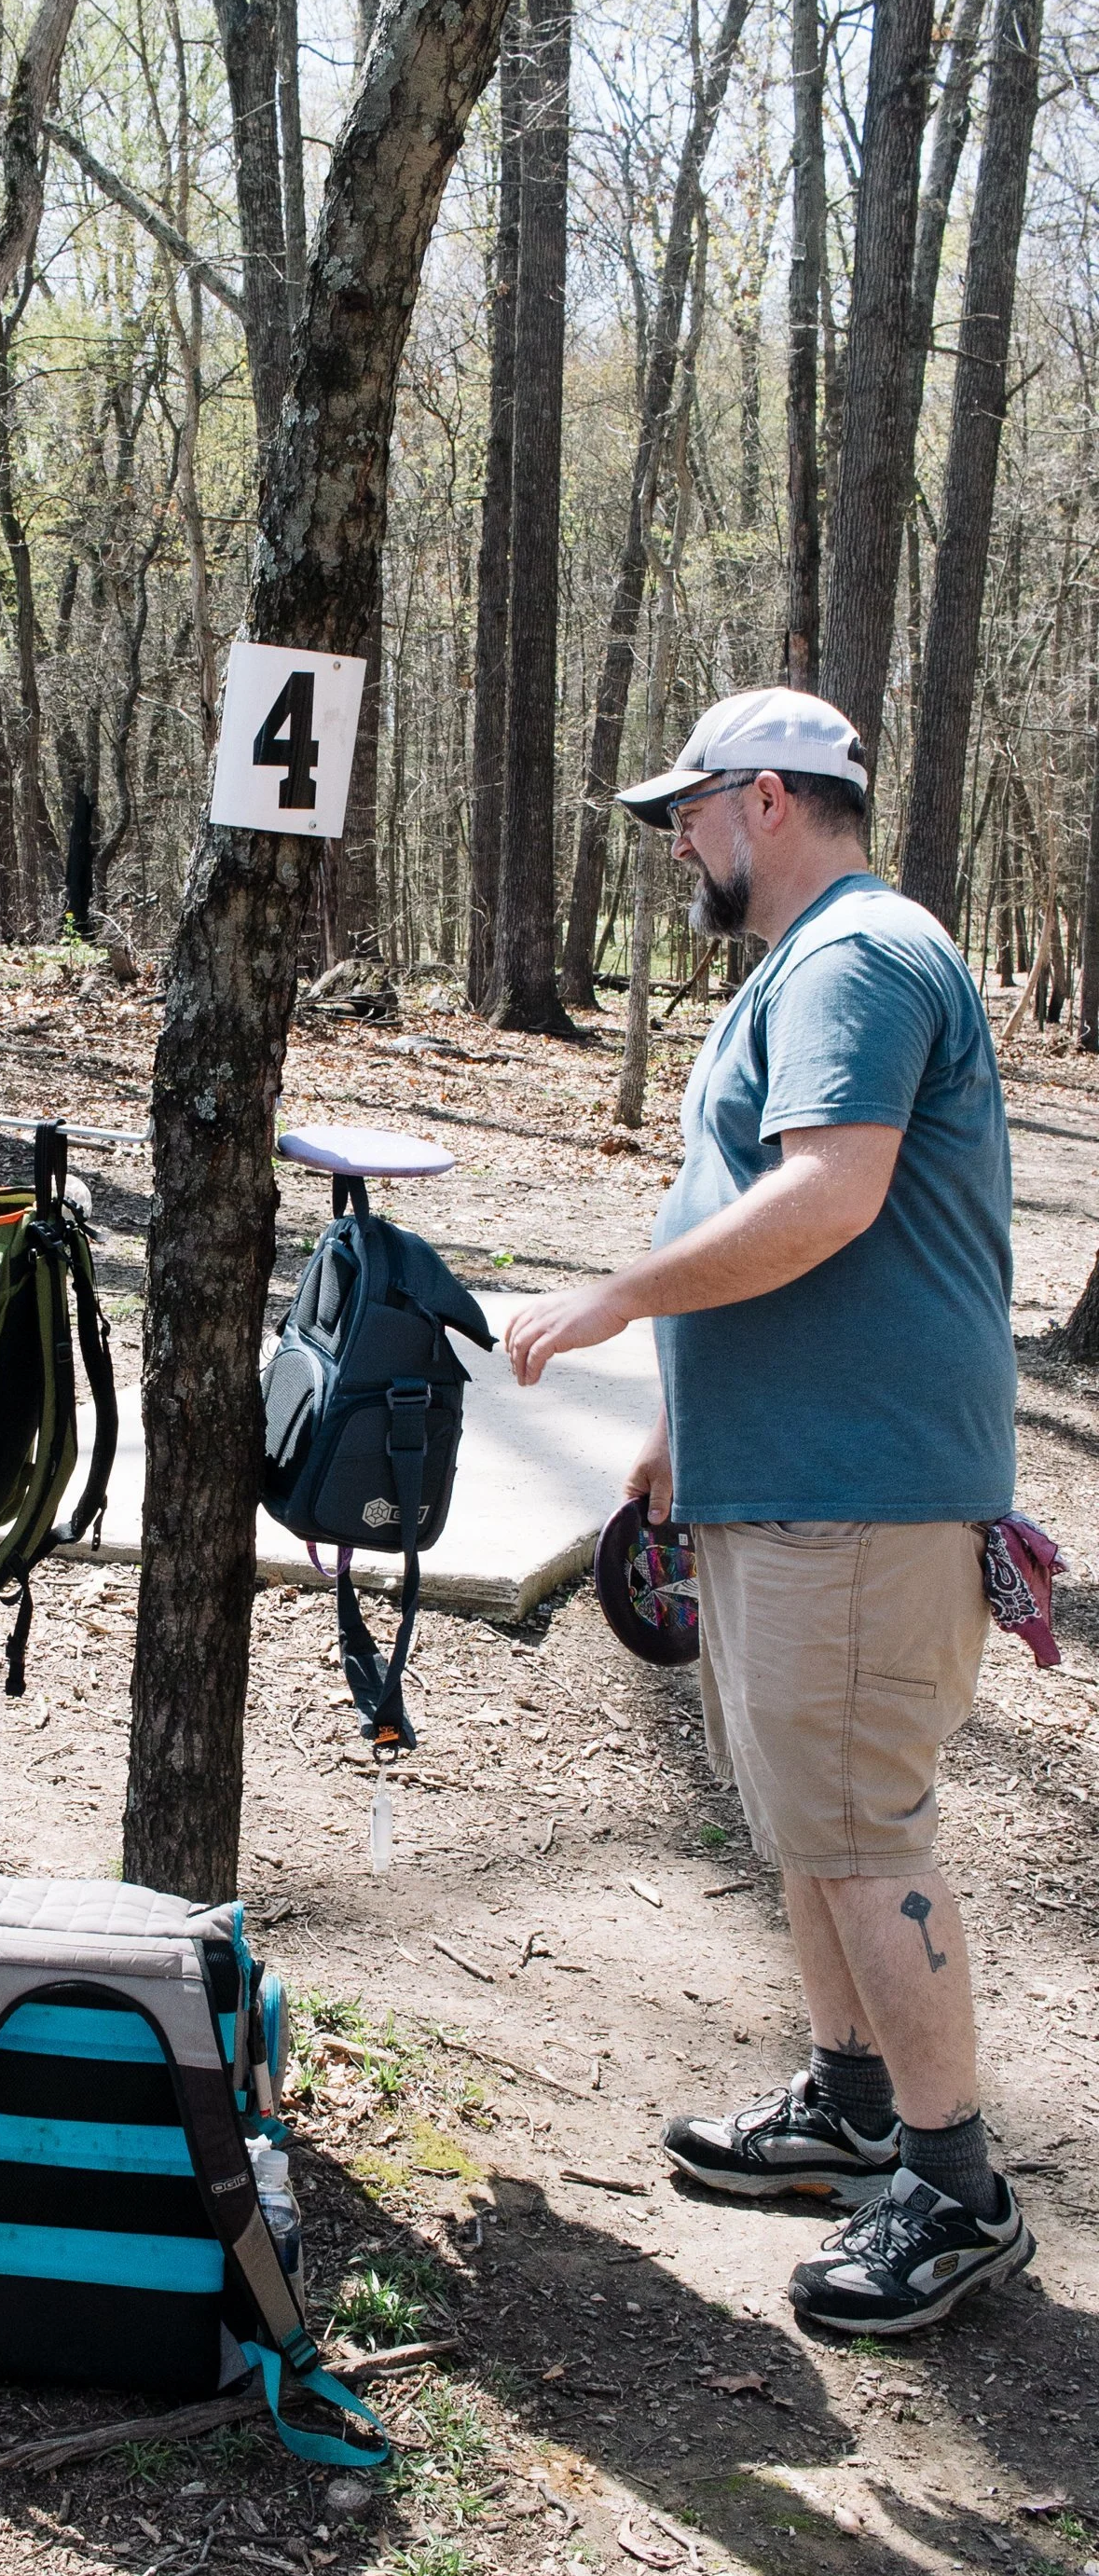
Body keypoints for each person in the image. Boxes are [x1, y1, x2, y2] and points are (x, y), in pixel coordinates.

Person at [503, 687, 1033, 2335]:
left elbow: (829, 1194)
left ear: (774, 803)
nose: (679, 839)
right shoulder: (804, 970)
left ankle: (956, 2190)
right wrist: (674, 1433)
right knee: (810, 1819)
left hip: (862, 1490)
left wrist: (608, 1300)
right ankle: (851, 2107)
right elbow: (758, 1211)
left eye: (693, 810)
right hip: (779, 1476)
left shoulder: (860, 960)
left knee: (864, 1832)